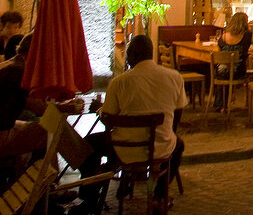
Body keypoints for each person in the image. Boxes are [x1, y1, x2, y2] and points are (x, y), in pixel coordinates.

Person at [76, 35, 188, 213]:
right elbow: (179, 110)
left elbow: (107, 117)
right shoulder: (174, 77)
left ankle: (90, 196)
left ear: (132, 56)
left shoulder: (119, 82)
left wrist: (99, 108)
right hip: (161, 148)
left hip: (123, 149)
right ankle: (159, 195)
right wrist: (170, 134)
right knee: (179, 145)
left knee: (88, 144)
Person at [0, 34, 82, 163]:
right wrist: (68, 107)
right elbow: (39, 108)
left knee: (45, 126)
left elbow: (33, 103)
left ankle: (41, 174)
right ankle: (84, 163)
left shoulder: (11, 65)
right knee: (53, 128)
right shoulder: (19, 71)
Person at [213, 11, 253, 111]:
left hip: (220, 71)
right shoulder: (248, 35)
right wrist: (251, 50)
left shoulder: (223, 36)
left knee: (224, 71)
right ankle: (250, 104)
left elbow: (219, 53)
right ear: (245, 23)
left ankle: (220, 105)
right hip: (238, 72)